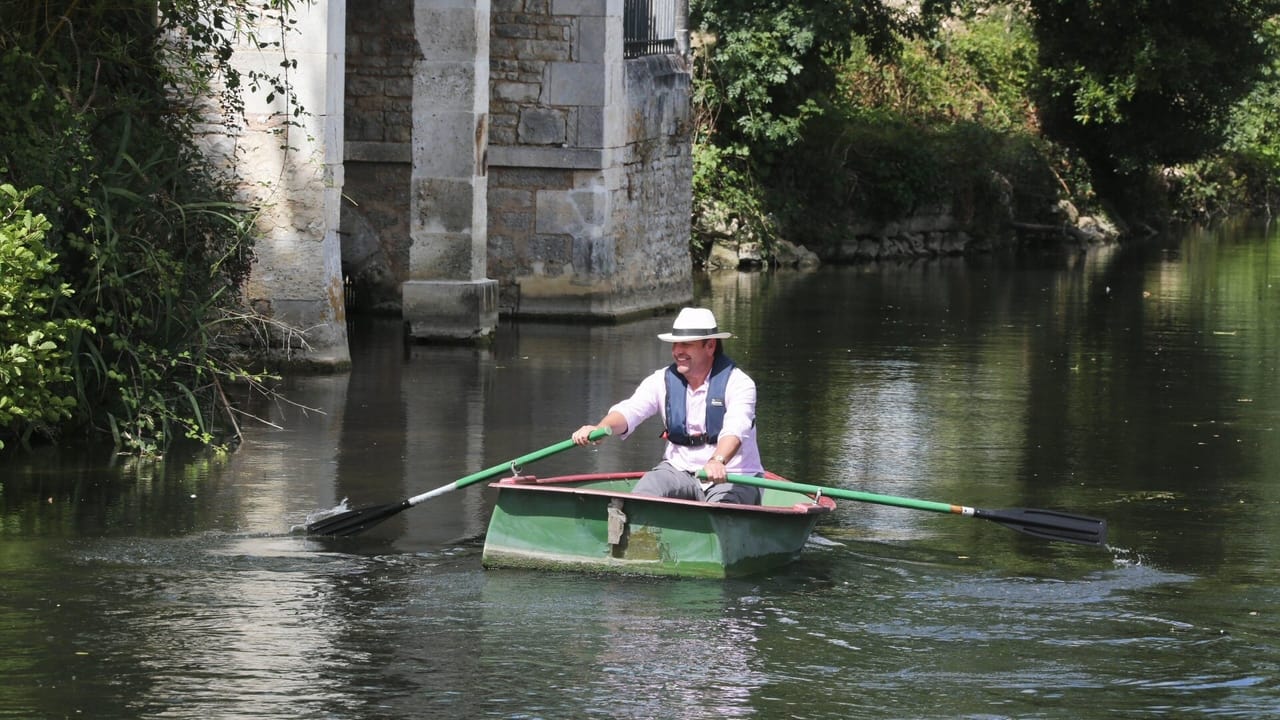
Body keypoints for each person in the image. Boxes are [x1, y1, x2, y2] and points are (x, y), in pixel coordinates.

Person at [571, 307, 764, 505]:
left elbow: (736, 428)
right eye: (675, 344)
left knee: (723, 508)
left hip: (733, 475)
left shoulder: (739, 383)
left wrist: (718, 460)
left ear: (710, 346)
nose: (677, 351)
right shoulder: (661, 380)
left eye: (686, 345)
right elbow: (630, 410)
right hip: (678, 470)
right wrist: (601, 428)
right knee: (640, 498)